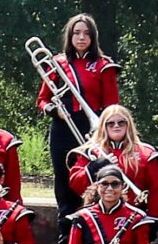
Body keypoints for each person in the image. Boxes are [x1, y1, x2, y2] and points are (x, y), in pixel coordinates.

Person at [37, 13, 120, 221]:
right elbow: (42, 100)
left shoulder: (103, 65)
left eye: (86, 33)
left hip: (92, 129)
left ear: (93, 37)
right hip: (62, 128)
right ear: (70, 36)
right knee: (63, 181)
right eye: (76, 33)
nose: (81, 38)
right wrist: (55, 111)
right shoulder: (56, 63)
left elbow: (112, 105)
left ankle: (89, 232)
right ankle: (65, 240)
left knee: (91, 178)